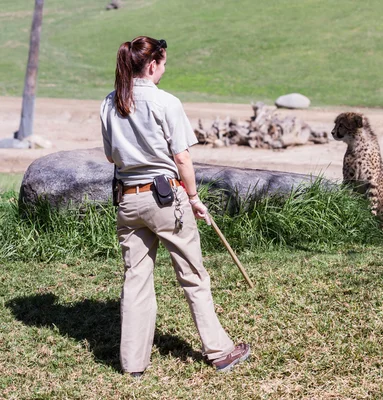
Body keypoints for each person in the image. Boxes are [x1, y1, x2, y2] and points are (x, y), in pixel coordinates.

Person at [100, 36, 250, 377]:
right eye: (164, 63)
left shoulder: (110, 103)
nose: (164, 69)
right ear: (152, 65)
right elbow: (182, 157)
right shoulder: (166, 102)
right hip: (167, 199)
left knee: (136, 278)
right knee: (193, 276)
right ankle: (220, 352)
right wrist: (194, 198)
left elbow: (111, 155)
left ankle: (133, 365)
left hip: (127, 200)